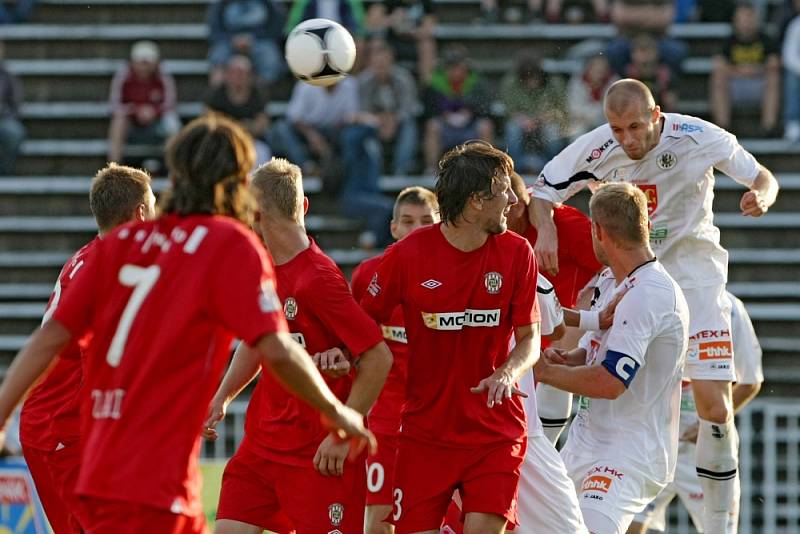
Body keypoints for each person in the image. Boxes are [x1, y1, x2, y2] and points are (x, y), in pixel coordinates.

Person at [0, 115, 374, 533]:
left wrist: (1, 413)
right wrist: (336, 411)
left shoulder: (118, 244)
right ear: (233, 183)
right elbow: (275, 346)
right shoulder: (230, 246)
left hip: (100, 471)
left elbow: (49, 337)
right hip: (157, 475)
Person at [529, 78, 780, 534]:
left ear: (657, 116)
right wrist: (544, 227)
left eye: (634, 127)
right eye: (617, 128)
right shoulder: (599, 146)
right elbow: (543, 191)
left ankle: (722, 527)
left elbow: (761, 175)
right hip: (628, 274)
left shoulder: (697, 136)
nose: (626, 139)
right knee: (564, 338)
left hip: (694, 276)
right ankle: (535, 461)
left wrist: (760, 194)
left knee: (714, 408)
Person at [361, 141, 540, 533]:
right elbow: (357, 324)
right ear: (476, 201)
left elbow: (531, 337)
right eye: (503, 191)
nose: (514, 199)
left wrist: (508, 373)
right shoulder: (408, 255)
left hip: (495, 433)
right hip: (425, 436)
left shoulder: (517, 252)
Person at [207, 157, 393, 534]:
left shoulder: (319, 279)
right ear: (304, 205)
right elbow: (259, 342)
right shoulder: (262, 270)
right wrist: (222, 397)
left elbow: (378, 357)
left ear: (254, 213)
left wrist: (342, 435)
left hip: (317, 452)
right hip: (262, 445)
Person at [535, 182, 690, 534]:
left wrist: (541, 369)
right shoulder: (611, 279)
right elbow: (594, 352)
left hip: (628, 452)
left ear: (597, 231)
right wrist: (567, 359)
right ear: (645, 224)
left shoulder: (650, 294)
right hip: (584, 443)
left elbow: (609, 382)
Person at [18, 163, 156, 534]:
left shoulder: (93, 257)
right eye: (154, 205)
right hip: (64, 427)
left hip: (61, 424)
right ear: (141, 213)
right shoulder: (111, 269)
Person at [628, 291, 765, 534]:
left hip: (703, 450)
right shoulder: (655, 294)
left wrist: (708, 424)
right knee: (629, 526)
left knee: (718, 529)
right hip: (653, 444)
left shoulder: (730, 308)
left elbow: (751, 379)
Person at [350, 186, 439, 534]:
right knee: (379, 521)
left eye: (425, 221)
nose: (416, 229)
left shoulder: (457, 274)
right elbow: (354, 343)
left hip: (438, 422)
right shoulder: (369, 275)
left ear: (440, 224)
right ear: (393, 228)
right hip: (385, 424)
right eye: (408, 221)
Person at [508, 172, 603, 445]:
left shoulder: (565, 225)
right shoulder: (490, 224)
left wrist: (581, 321)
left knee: (553, 366)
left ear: (517, 205)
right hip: (516, 332)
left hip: (554, 331)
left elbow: (613, 266)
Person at [710, 3, 780, 136]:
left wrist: (749, 70)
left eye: (750, 18)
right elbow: (719, 66)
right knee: (718, 79)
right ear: (735, 21)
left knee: (773, 78)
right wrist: (743, 71)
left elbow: (774, 64)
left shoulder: (766, 40)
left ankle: (768, 128)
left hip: (759, 85)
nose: (746, 23)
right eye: (743, 19)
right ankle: (723, 128)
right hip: (735, 85)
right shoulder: (728, 42)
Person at [107, 40, 181, 164]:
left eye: (147, 63)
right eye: (141, 63)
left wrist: (154, 112)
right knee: (118, 121)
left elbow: (170, 104)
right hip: (132, 125)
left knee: (172, 123)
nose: (144, 67)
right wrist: (136, 111)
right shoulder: (123, 76)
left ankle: (173, 168)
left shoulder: (163, 76)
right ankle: (113, 168)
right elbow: (114, 106)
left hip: (157, 124)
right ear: (133, 62)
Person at [422, 46, 494, 173]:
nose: (456, 72)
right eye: (452, 67)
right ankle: (431, 169)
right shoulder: (435, 83)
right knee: (432, 126)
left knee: (486, 126)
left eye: (459, 67)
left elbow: (486, 108)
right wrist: (444, 115)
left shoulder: (476, 82)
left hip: (470, 126)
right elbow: (428, 110)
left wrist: (470, 113)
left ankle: (485, 169)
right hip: (446, 126)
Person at [358, 39, 420, 176]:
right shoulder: (363, 82)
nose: (381, 65)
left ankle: (401, 170)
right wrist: (378, 121)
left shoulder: (404, 78)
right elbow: (362, 110)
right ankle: (374, 171)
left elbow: (409, 108)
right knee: (364, 130)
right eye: (377, 63)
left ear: (391, 60)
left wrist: (394, 120)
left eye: (384, 62)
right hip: (375, 122)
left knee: (410, 125)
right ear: (370, 62)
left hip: (398, 121)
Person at [500, 49, 569, 174]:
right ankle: (514, 169)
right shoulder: (511, 82)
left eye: (535, 78)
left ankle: (553, 169)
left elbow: (561, 108)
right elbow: (508, 108)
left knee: (553, 131)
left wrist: (544, 118)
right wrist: (521, 119)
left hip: (548, 120)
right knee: (512, 129)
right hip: (521, 120)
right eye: (527, 78)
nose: (532, 82)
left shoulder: (554, 82)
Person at [205, 55, 272, 165]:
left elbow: (262, 124)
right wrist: (243, 125)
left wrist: (229, 126)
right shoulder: (216, 93)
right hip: (221, 141)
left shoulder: (257, 94)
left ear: (250, 76)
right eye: (234, 73)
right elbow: (208, 120)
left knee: (263, 152)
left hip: (250, 141)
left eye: (242, 73)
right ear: (227, 75)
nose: (238, 77)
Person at [207, 0, 286, 85]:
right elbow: (214, 31)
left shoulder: (270, 2)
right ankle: (218, 94)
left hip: (261, 41)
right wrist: (233, 39)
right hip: (229, 42)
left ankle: (260, 93)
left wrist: (253, 38)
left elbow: (276, 29)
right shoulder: (220, 3)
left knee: (270, 60)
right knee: (218, 57)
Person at [605, 0, 687, 78]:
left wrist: (631, 15)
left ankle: (666, 89)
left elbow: (666, 17)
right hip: (628, 39)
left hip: (658, 39)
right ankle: (622, 88)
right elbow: (619, 16)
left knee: (677, 52)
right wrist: (653, 13)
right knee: (612, 52)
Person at [365, 0, 437, 84]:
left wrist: (409, 31)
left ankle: (425, 86)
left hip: (415, 41)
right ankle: (373, 83)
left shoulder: (426, 4)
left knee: (427, 45)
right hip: (391, 41)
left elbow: (428, 30)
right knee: (376, 43)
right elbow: (371, 22)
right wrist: (392, 19)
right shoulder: (390, 3)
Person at [567, 54, 618, 140]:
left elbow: (614, 109)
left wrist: (591, 112)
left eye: (603, 69)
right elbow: (574, 108)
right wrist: (597, 110)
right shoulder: (578, 82)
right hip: (582, 122)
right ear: (589, 68)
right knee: (577, 132)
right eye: (596, 69)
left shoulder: (614, 82)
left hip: (606, 122)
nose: (599, 72)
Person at [0, 40, 25, 176]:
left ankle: (3, 170)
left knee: (14, 132)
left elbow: (16, 105)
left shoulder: (8, 76)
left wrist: (4, 112)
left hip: (3, 120)